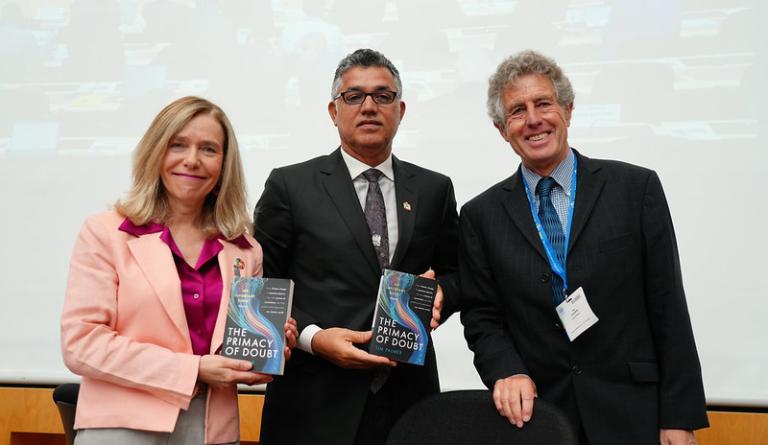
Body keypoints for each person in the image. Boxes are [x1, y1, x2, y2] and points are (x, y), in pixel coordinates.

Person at [458, 50, 708, 445]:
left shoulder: (634, 188)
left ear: (568, 110)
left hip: (635, 414)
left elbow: (668, 307)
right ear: (502, 129)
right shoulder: (480, 216)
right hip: (540, 420)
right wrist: (508, 371)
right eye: (518, 111)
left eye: (544, 103)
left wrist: (679, 416)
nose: (534, 119)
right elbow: (482, 317)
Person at [60, 96, 297, 445]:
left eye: (209, 149)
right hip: (123, 426)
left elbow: (243, 360)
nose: (192, 160)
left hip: (212, 429)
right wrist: (193, 370)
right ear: (156, 153)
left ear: (224, 165)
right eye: (178, 145)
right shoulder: (105, 233)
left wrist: (270, 345)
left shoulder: (245, 250)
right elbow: (81, 343)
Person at [253, 48, 459, 445]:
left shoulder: (434, 188)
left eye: (383, 96)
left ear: (401, 110)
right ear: (333, 111)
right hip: (312, 402)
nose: (369, 106)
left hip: (408, 400)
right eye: (354, 96)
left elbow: (460, 273)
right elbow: (263, 288)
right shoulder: (289, 186)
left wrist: (444, 293)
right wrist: (314, 338)